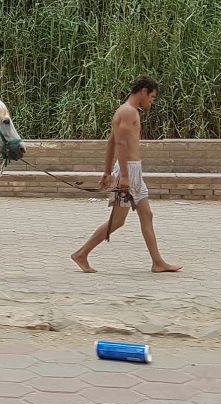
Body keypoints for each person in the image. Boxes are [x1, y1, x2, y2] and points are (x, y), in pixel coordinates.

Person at [71, 75, 182, 273]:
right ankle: (81, 254)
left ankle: (157, 262)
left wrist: (107, 172)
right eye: (152, 97)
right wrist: (123, 176)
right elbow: (120, 144)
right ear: (143, 91)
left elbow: (111, 143)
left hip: (132, 170)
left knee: (146, 215)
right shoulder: (128, 112)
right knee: (118, 221)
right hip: (128, 170)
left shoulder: (124, 111)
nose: (151, 101)